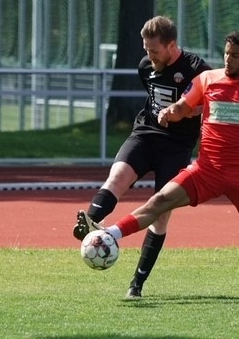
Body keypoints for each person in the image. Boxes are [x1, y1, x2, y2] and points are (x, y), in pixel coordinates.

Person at [80, 30, 239, 301]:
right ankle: (109, 234)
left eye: (236, 55)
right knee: (159, 202)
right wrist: (172, 112)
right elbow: (183, 106)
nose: (229, 59)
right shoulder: (207, 78)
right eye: (227, 53)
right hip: (206, 170)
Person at [73, 16, 212, 299]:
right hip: (145, 134)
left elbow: (213, 101)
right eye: (146, 49)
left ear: (171, 45)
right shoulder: (145, 66)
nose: (150, 56)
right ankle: (90, 224)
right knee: (117, 177)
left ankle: (136, 284)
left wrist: (184, 110)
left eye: (155, 50)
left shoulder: (196, 69)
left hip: (176, 146)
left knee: (160, 215)